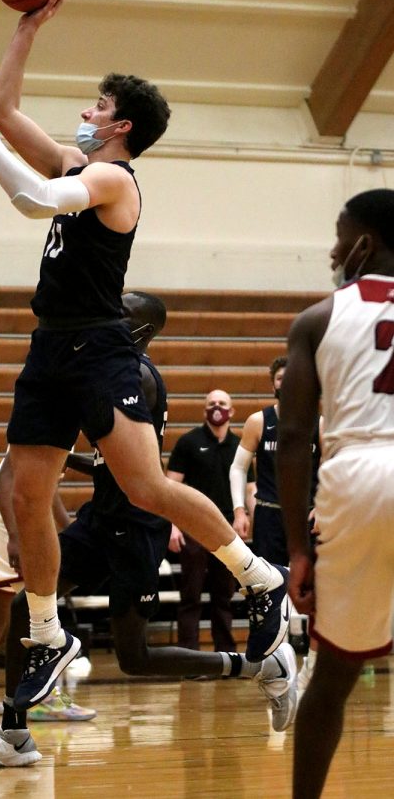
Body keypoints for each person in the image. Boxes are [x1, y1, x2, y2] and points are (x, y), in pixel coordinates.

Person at [0, 0, 289, 713]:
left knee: (145, 487)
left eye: (98, 104)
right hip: (49, 345)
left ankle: (259, 575)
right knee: (24, 494)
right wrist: (26, 28)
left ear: (122, 124)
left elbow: (33, 197)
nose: (87, 110)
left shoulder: (112, 179)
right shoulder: (82, 161)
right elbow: (10, 113)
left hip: (98, 346)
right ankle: (46, 633)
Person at [0, 292, 298, 769]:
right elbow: (104, 462)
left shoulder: (138, 378)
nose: (110, 316)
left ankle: (260, 665)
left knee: (135, 656)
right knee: (22, 608)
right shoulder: (109, 372)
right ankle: (14, 734)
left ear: (141, 330)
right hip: (101, 521)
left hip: (138, 528)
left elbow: (132, 470)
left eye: (122, 313)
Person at [277, 188, 394, 799]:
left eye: (339, 234)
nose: (332, 249)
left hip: (361, 473)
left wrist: (298, 548)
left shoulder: (318, 318)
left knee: (336, 674)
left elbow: (293, 438)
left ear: (363, 244)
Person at [0, 451, 92, 722]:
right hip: (4, 517)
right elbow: (4, 482)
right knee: (34, 606)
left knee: (1, 611)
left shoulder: (58, 427)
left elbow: (48, 488)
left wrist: (69, 531)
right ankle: (41, 698)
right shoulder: (51, 420)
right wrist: (14, 536)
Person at [167, 390, 254, 653]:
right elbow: (169, 488)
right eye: (212, 404)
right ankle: (188, 656)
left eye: (223, 404)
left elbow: (251, 489)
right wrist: (171, 525)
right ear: (204, 410)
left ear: (232, 411)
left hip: (227, 532)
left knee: (223, 597)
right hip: (192, 530)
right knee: (190, 596)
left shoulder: (241, 447)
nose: (217, 408)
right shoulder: (188, 442)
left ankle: (226, 655)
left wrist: (250, 518)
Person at [230, 357, 321, 565]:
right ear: (273, 385)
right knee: (270, 586)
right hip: (268, 516)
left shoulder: (319, 424)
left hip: (307, 516)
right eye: (280, 378)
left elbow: (333, 469)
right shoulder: (258, 422)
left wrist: (325, 506)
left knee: (308, 588)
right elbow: (238, 467)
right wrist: (239, 510)